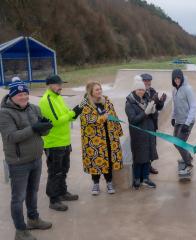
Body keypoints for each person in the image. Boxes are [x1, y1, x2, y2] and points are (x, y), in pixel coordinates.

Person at [0, 81, 53, 240]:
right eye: (19, 94)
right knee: (18, 197)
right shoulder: (4, 113)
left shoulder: (34, 108)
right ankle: (20, 230)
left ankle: (33, 219)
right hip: (18, 162)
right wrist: (34, 128)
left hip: (36, 158)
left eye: (25, 94)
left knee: (33, 192)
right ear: (12, 95)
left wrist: (45, 126)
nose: (23, 97)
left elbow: (43, 133)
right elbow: (11, 137)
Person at [39, 74, 82, 211]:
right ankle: (54, 199)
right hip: (54, 143)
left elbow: (66, 114)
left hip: (64, 141)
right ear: (50, 85)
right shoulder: (47, 100)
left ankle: (62, 192)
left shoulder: (58, 98)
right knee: (55, 172)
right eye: (57, 84)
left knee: (64, 169)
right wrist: (72, 113)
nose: (60, 87)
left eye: (61, 84)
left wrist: (75, 111)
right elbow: (56, 120)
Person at [80, 82, 123, 195]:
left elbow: (114, 116)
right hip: (94, 139)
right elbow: (87, 120)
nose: (99, 91)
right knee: (96, 160)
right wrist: (101, 118)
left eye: (100, 89)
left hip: (109, 136)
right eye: (96, 90)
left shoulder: (107, 101)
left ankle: (109, 182)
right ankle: (96, 184)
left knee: (108, 159)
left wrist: (118, 131)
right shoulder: (86, 105)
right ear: (91, 92)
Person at [125, 76, 160, 189]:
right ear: (134, 90)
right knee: (139, 158)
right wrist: (145, 112)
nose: (141, 91)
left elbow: (153, 116)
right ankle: (137, 179)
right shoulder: (130, 103)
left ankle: (145, 178)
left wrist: (154, 111)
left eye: (142, 89)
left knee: (147, 156)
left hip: (149, 133)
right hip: (138, 135)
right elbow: (133, 120)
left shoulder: (147, 99)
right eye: (138, 89)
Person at [171, 69, 196, 175]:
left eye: (179, 78)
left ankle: (189, 165)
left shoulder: (188, 89)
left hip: (187, 121)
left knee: (180, 144)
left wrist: (187, 123)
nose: (177, 80)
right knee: (175, 142)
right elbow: (175, 105)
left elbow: (194, 106)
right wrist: (173, 117)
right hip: (179, 120)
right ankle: (188, 157)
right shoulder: (174, 90)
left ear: (182, 78)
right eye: (175, 78)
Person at [139, 73, 167, 174]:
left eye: (149, 81)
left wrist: (161, 101)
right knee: (144, 146)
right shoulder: (138, 92)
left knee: (152, 145)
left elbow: (158, 108)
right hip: (143, 123)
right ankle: (143, 168)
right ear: (141, 82)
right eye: (145, 81)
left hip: (152, 123)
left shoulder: (153, 91)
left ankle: (149, 165)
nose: (147, 82)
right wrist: (151, 102)